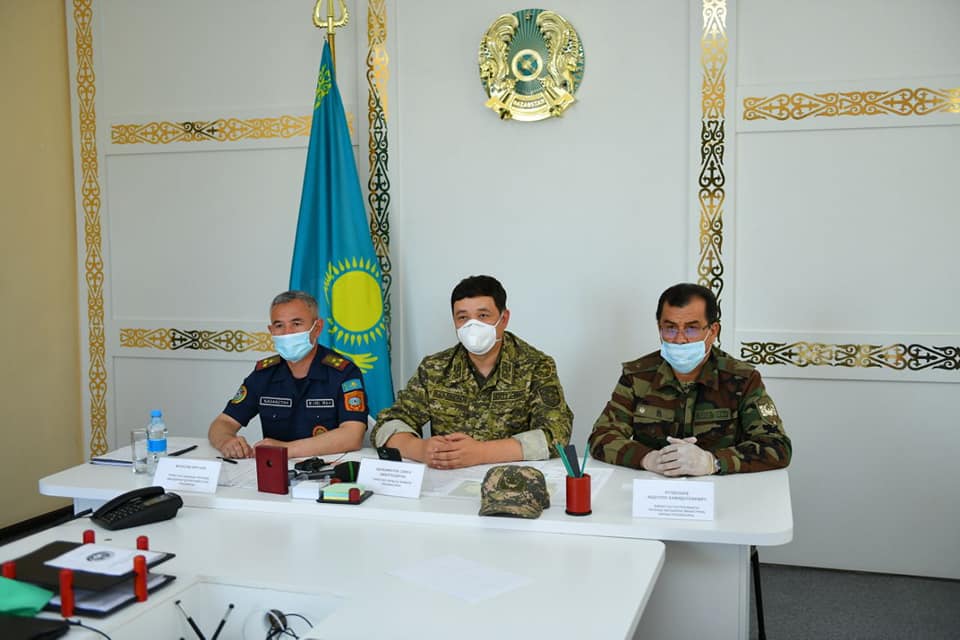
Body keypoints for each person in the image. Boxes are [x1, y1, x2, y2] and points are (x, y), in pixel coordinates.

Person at [372, 275, 573, 469]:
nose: (472, 325)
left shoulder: (536, 366)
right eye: (463, 317)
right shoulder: (434, 368)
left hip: (510, 480)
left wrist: (482, 453)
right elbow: (387, 424)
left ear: (504, 319)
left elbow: (556, 433)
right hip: (448, 479)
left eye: (483, 316)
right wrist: (421, 449)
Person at [589, 283, 791, 475]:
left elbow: (777, 446)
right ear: (659, 329)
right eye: (670, 328)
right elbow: (601, 436)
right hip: (652, 489)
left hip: (723, 491)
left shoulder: (741, 379)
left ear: (713, 331)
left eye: (691, 328)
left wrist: (713, 462)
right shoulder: (637, 376)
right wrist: (647, 458)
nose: (680, 339)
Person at [208, 291, 367, 459]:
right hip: (275, 469)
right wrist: (226, 441)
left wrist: (287, 449)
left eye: (296, 324)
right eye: (279, 326)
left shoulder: (343, 372)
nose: (287, 332)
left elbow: (353, 435)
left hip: (329, 467)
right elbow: (224, 422)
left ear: (317, 328)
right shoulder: (264, 374)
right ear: (271, 331)